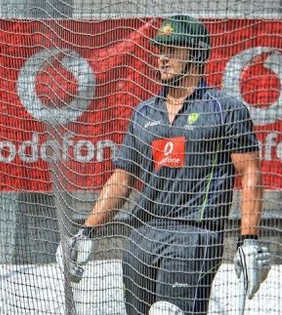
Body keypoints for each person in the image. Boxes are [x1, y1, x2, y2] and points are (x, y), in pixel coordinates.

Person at [58, 15, 271, 314]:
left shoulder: (227, 110)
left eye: (173, 50)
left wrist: (248, 240)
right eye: (160, 50)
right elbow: (123, 178)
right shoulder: (143, 112)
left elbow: (250, 173)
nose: (162, 58)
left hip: (194, 236)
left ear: (196, 53)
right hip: (142, 236)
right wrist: (88, 231)